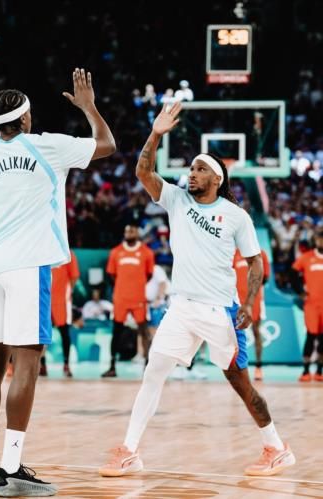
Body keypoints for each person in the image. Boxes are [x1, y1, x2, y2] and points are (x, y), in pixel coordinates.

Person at [0, 68, 115, 496]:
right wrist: (89, 107)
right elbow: (108, 146)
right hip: (29, 266)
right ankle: (13, 467)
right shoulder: (47, 147)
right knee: (27, 362)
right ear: (25, 119)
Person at [99, 102, 295, 478]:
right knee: (153, 371)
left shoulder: (236, 216)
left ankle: (276, 447)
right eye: (191, 167)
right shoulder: (176, 199)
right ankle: (129, 451)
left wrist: (250, 302)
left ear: (217, 178)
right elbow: (144, 170)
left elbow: (256, 262)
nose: (192, 172)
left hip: (219, 310)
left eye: (200, 168)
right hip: (182, 307)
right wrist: (156, 134)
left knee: (239, 383)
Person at [102, 224, 154, 377]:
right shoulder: (116, 252)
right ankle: (112, 367)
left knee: (144, 332)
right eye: (126, 231)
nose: (128, 233)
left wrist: (135, 286)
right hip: (120, 299)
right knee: (116, 332)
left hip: (139, 299)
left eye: (131, 230)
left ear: (137, 232)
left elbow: (149, 275)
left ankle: (147, 366)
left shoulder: (147, 253)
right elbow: (112, 275)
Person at [234, 248, 270, 381]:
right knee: (235, 334)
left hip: (255, 298)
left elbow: (265, 277)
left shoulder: (261, 253)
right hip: (237, 299)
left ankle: (258, 367)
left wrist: (251, 290)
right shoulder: (234, 253)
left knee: (256, 332)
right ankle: (237, 368)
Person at [292, 229, 323, 382]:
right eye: (319, 238)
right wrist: (300, 292)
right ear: (315, 240)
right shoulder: (307, 258)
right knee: (311, 335)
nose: (321, 241)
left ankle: (319, 371)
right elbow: (292, 274)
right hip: (311, 304)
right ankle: (305, 371)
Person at [44, 249, 80, 377]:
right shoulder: (42, 250)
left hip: (62, 302)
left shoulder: (67, 253)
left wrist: (66, 293)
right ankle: (42, 365)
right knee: (42, 334)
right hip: (44, 300)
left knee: (65, 333)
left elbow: (74, 276)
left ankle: (66, 365)